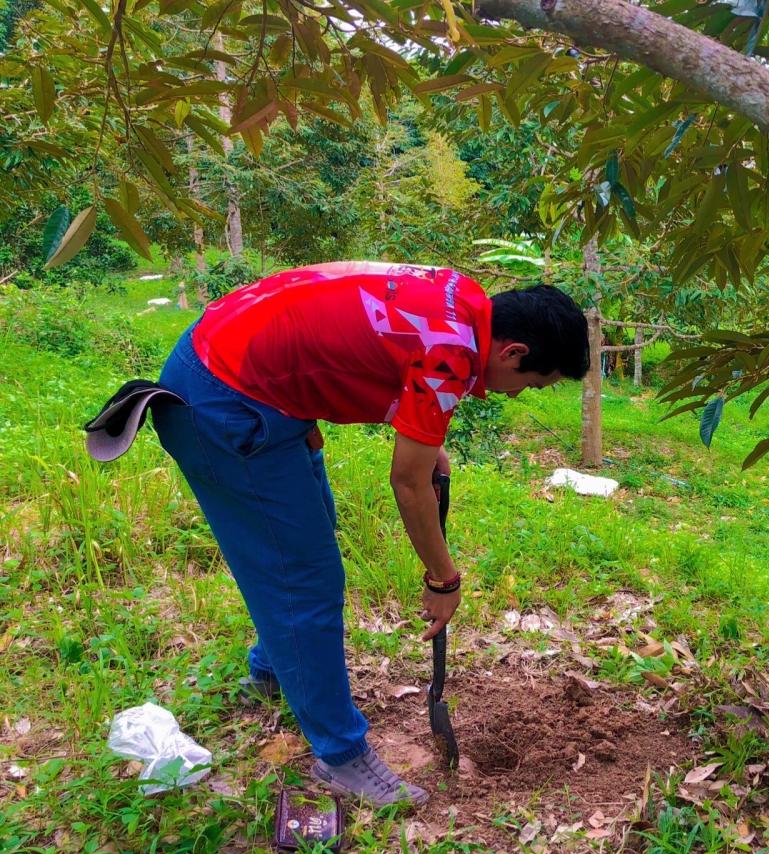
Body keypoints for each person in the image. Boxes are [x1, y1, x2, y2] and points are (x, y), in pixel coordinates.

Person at [149, 262, 588, 806]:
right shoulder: (452, 355)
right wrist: (444, 580)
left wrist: (426, 436)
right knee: (304, 579)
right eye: (532, 383)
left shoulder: (463, 299)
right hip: (222, 397)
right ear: (513, 352)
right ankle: (341, 756)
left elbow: (373, 345)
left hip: (240, 364)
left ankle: (272, 670)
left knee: (312, 534)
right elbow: (408, 484)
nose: (519, 395)